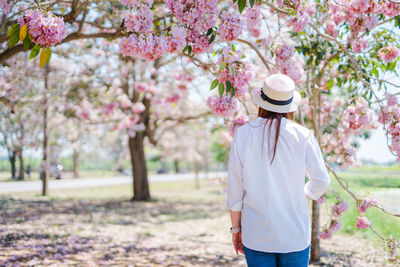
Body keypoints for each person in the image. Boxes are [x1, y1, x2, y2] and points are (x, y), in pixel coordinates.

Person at [226, 74, 330, 267]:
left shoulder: (243, 135)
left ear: (262, 102)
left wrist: (236, 230)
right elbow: (322, 181)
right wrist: (304, 193)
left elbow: (235, 190)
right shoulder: (303, 135)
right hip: (295, 234)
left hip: (256, 234)